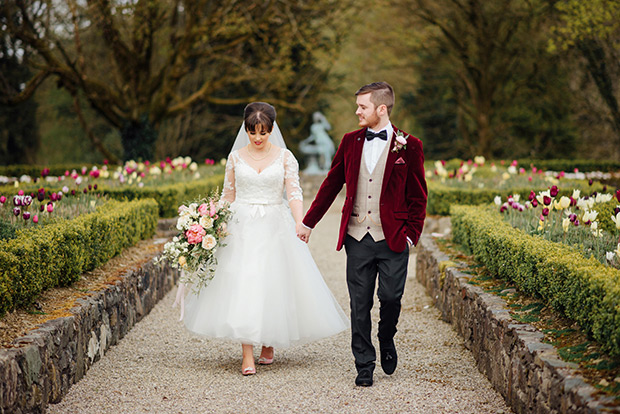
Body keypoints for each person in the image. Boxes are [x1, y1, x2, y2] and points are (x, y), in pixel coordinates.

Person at [182, 102, 348, 376]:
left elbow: (293, 194)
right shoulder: (235, 158)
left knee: (272, 281)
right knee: (244, 282)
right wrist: (214, 223)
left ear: (272, 130)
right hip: (241, 226)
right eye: (252, 132)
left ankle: (268, 340)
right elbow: (228, 195)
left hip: (275, 223)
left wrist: (299, 221)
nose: (258, 138)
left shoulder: (285, 157)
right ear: (245, 130)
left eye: (263, 132)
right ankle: (247, 353)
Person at [296, 82, 427, 386]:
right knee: (359, 304)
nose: (357, 111)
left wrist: (411, 235)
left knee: (391, 298)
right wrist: (308, 222)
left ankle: (386, 335)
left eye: (362, 107)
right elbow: (330, 184)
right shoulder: (350, 142)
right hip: (357, 237)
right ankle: (364, 364)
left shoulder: (409, 146)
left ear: (381, 109)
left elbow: (418, 196)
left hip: (393, 237)